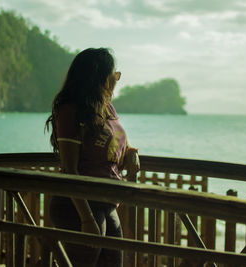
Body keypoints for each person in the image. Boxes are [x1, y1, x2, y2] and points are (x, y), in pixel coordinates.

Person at [45, 47, 140, 267]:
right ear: (100, 78)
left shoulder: (106, 107)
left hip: (106, 201)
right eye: (114, 75)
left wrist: (132, 152)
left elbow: (115, 140)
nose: (117, 80)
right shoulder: (70, 110)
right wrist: (86, 218)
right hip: (77, 204)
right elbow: (70, 170)